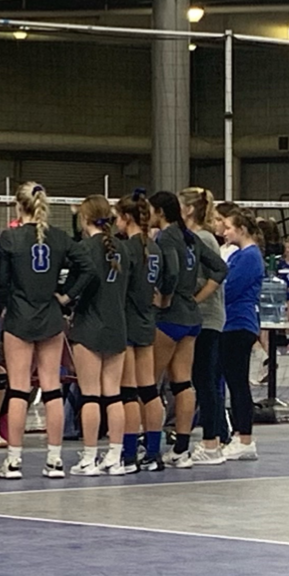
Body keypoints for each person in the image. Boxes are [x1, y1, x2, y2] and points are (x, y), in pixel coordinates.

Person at [0, 182, 93, 479]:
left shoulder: (9, 238)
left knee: (18, 387)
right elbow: (87, 267)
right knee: (52, 387)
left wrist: (7, 305)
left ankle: (13, 462)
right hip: (50, 316)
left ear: (18, 206)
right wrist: (66, 295)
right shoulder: (60, 237)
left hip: (19, 318)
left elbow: (1, 281)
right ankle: (54, 460)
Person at [149, 191, 228, 469]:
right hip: (193, 319)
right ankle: (181, 449)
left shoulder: (167, 237)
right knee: (183, 383)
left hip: (170, 317)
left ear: (159, 211)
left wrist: (166, 297)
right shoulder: (191, 237)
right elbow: (219, 268)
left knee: (150, 383)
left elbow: (169, 273)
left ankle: (149, 449)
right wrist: (196, 298)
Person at [68, 194, 129, 476]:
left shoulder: (83, 249)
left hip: (90, 325)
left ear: (84, 218)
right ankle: (115, 456)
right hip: (118, 325)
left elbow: (76, 287)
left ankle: (89, 458)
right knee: (114, 395)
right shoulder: (124, 249)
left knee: (90, 395)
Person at [180, 188, 229, 466]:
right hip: (199, 317)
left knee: (205, 380)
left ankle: (212, 441)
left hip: (207, 319)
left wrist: (194, 299)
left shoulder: (204, 239)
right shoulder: (193, 237)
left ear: (188, 209)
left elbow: (214, 276)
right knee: (201, 380)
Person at [116, 188, 162, 474]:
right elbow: (163, 286)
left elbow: (119, 289)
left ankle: (130, 454)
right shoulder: (156, 249)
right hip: (148, 320)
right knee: (150, 389)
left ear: (126, 218)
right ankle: (154, 453)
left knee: (128, 392)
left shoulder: (127, 249)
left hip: (129, 322)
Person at [216, 210, 265, 462]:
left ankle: (245, 437)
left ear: (242, 230)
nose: (225, 232)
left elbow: (230, 288)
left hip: (239, 324)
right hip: (230, 323)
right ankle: (239, 433)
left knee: (238, 383)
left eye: (228, 228)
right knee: (234, 382)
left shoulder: (250, 256)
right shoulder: (239, 255)